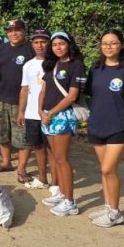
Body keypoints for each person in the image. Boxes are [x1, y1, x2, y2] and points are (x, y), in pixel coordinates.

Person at [85, 29, 124, 228]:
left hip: (119, 126)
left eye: (113, 43)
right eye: (104, 43)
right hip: (97, 124)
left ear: (122, 45)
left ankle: (116, 213)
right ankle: (108, 207)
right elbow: (90, 95)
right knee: (105, 172)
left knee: (108, 169)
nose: (108, 47)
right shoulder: (95, 68)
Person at [39, 31, 87, 217]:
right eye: (55, 44)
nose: (58, 47)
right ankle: (61, 193)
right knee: (55, 157)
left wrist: (50, 112)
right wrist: (40, 110)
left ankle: (70, 201)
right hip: (47, 116)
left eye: (62, 43)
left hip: (62, 116)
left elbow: (72, 96)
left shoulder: (76, 66)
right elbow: (43, 89)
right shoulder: (52, 64)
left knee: (62, 159)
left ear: (69, 44)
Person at [0, 20, 37, 178]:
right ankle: (6, 162)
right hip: (0, 98)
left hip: (22, 101)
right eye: (10, 30)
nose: (13, 33)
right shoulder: (1, 48)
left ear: (24, 31)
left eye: (17, 30)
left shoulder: (31, 49)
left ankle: (22, 168)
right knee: (2, 133)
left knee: (23, 136)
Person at [17, 28, 52, 187]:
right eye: (36, 42)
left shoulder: (55, 63)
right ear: (32, 44)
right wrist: (21, 111)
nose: (40, 45)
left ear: (49, 43)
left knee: (52, 149)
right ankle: (43, 179)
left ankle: (57, 183)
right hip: (31, 113)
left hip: (50, 112)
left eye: (43, 41)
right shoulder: (28, 65)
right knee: (37, 147)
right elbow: (24, 89)